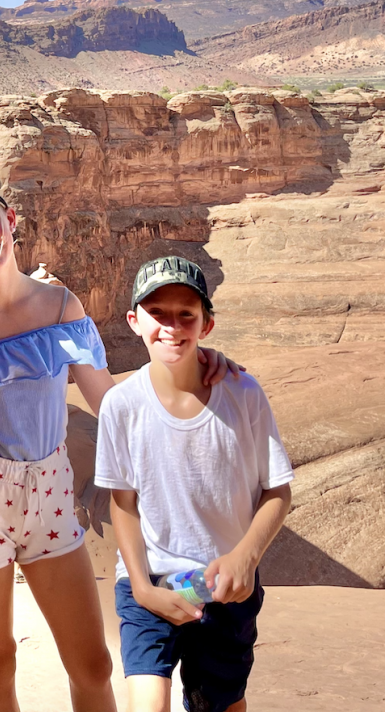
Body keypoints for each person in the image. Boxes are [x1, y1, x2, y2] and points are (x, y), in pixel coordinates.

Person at [0, 179, 238, 712]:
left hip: (51, 493)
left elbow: (110, 406)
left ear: (11, 219)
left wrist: (191, 376)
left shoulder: (60, 307)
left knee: (92, 663)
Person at [94, 257, 294, 712]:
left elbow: (277, 490)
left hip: (224, 585)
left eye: (186, 314)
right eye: (157, 313)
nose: (172, 326)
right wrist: (142, 588)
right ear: (134, 321)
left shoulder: (243, 394)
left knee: (220, 704)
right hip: (150, 581)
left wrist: (246, 557)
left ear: (207, 325)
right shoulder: (121, 406)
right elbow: (123, 504)